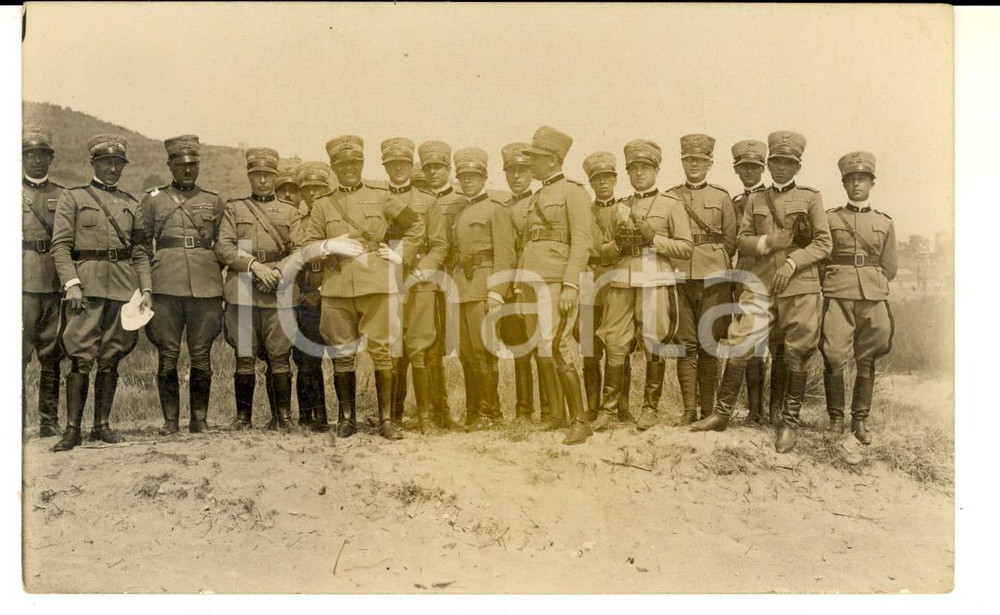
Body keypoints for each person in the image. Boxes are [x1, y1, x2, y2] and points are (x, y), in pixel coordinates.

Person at [692, 131, 832, 454]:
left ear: (798, 167)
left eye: (788, 163)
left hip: (799, 286)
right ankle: (722, 414)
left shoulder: (811, 198)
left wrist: (793, 262)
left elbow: (824, 242)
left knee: (796, 350)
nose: (781, 168)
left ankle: (789, 423)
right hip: (759, 284)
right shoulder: (755, 200)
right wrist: (766, 243)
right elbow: (740, 241)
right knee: (741, 340)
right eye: (777, 162)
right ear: (769, 165)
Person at [304, 135, 424, 440]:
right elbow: (306, 245)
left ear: (361, 164)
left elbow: (416, 226)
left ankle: (386, 421)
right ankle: (347, 419)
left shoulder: (382, 196)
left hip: (376, 284)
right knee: (342, 353)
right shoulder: (322, 205)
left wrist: (401, 255)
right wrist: (329, 245)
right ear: (333, 167)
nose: (349, 169)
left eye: (354, 163)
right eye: (342, 164)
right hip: (336, 286)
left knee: (382, 352)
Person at [49, 134, 152, 452]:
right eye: (106, 162)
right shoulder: (74, 197)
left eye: (118, 163)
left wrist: (145, 288)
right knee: (81, 359)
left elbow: (139, 252)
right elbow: (61, 246)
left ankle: (102, 426)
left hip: (122, 289)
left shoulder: (131, 204)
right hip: (87, 288)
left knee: (110, 359)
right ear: (93, 163)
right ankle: (72, 430)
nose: (112, 168)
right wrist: (72, 284)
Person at [592, 139, 693, 432]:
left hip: (655, 279)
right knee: (614, 340)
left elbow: (686, 248)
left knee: (654, 340)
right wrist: (619, 244)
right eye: (633, 169)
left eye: (645, 168)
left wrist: (653, 239)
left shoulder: (671, 205)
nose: (639, 174)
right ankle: (609, 410)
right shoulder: (620, 207)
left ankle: (650, 408)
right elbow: (603, 251)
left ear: (657, 170)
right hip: (622, 279)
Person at [139, 135, 225, 435]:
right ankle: (170, 421)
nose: (187, 170)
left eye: (192, 164)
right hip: (164, 285)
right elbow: (140, 247)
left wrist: (215, 273)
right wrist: (147, 287)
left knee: (201, 353)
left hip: (206, 287)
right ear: (170, 165)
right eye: (181, 164)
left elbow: (224, 245)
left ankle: (199, 420)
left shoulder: (214, 200)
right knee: (168, 354)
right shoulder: (153, 200)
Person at [514, 126, 594, 445]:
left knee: (560, 346)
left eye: (536, 158)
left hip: (557, 281)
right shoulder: (537, 196)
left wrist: (570, 285)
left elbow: (582, 242)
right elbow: (526, 244)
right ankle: (558, 416)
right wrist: (520, 286)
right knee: (542, 345)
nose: (530, 163)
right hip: (533, 281)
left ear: (554, 160)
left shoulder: (573, 192)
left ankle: (580, 420)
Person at [215, 147, 304, 431]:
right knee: (244, 355)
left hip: (279, 289)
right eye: (257, 175)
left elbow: (300, 249)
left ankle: (283, 417)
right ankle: (243, 418)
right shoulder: (234, 208)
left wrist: (278, 271)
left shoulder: (290, 212)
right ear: (249, 177)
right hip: (242, 289)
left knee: (280, 355)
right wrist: (255, 266)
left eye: (268, 175)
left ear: (276, 176)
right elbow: (224, 248)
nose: (263, 180)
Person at [820, 151, 896, 444]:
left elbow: (890, 267)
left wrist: (872, 282)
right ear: (844, 184)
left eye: (862, 179)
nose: (856, 185)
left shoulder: (885, 222)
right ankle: (836, 420)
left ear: (872, 184)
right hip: (838, 294)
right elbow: (822, 256)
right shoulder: (830, 218)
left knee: (868, 357)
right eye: (851, 180)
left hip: (872, 296)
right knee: (834, 354)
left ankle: (859, 421)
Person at [664, 135, 737, 425]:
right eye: (689, 160)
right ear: (682, 162)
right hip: (680, 276)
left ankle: (708, 411)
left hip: (713, 278)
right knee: (685, 344)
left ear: (709, 163)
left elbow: (730, 241)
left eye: (700, 160)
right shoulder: (670, 196)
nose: (694, 164)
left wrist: (714, 262)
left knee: (708, 343)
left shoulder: (721, 197)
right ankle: (688, 411)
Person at [380, 138, 447, 434]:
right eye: (392, 164)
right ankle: (391, 417)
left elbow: (440, 246)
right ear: (385, 167)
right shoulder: (376, 199)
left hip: (420, 282)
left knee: (419, 348)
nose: (398, 168)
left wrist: (419, 273)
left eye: (403, 164)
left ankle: (425, 418)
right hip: (385, 280)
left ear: (411, 166)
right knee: (391, 348)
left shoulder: (428, 201)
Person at [446, 147, 511, 430]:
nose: (469, 181)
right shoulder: (460, 211)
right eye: (464, 177)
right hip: (461, 287)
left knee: (483, 350)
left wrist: (497, 291)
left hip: (484, 285)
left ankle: (490, 412)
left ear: (485, 177)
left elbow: (505, 254)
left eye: (474, 176)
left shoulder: (496, 209)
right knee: (465, 351)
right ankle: (473, 412)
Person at [494, 142, 550, 424]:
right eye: (511, 171)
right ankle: (524, 411)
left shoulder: (542, 202)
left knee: (544, 346)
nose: (516, 177)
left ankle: (550, 410)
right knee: (519, 348)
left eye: (522, 170)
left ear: (531, 172)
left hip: (537, 283)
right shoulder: (500, 208)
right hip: (509, 285)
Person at [578, 151, 632, 424]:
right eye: (596, 179)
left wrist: (611, 249)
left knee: (618, 345)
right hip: (589, 281)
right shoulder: (584, 212)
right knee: (590, 348)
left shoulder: (624, 210)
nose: (602, 183)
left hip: (616, 281)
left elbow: (627, 248)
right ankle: (592, 407)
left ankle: (621, 408)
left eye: (607, 178)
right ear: (591, 183)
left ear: (615, 179)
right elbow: (583, 246)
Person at [22, 125, 65, 438]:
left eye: (43, 155)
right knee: (16, 358)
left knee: (51, 357)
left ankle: (48, 423)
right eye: (30, 154)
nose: (37, 161)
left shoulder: (62, 196)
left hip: (52, 285)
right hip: (20, 286)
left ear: (51, 159)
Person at [418, 140, 463, 429]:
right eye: (428, 167)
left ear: (449, 169)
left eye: (439, 166)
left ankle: (448, 409)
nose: (433, 172)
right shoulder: (417, 199)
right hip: (423, 281)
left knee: (450, 346)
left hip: (453, 279)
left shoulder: (461, 201)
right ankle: (435, 409)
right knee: (426, 346)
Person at [729, 139, 772, 426]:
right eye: (743, 168)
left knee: (766, 344)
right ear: (736, 170)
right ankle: (752, 411)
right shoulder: (733, 203)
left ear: (763, 169)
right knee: (746, 342)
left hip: (768, 278)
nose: (749, 173)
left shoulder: (770, 200)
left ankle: (764, 411)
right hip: (742, 277)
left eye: (754, 168)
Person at [291, 161, 334, 431]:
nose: (313, 194)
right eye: (307, 189)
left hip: (333, 295)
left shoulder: (333, 219)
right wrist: (305, 292)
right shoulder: (298, 222)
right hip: (305, 297)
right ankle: (310, 416)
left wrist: (322, 291)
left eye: (319, 188)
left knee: (342, 358)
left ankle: (341, 417)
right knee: (306, 359)